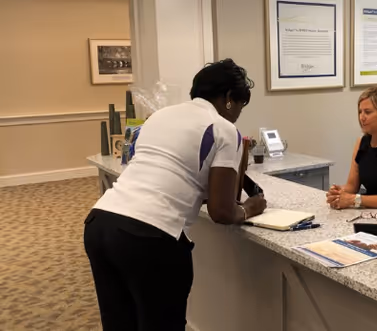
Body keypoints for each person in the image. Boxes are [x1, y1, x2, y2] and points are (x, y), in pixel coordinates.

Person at [83, 59, 267, 331]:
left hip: (101, 224)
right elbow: (222, 211)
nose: (238, 113)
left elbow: (171, 175)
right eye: (240, 104)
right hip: (148, 239)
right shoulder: (224, 129)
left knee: (121, 324)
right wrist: (252, 207)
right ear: (229, 98)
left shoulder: (160, 116)